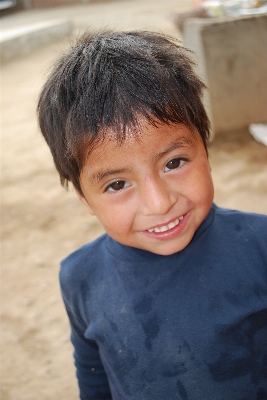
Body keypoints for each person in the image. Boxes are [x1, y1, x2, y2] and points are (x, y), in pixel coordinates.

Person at [37, 30, 267, 400]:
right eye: (116, 185)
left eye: (174, 163)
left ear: (205, 151)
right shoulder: (79, 278)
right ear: (84, 197)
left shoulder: (260, 247)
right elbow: (94, 373)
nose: (159, 203)